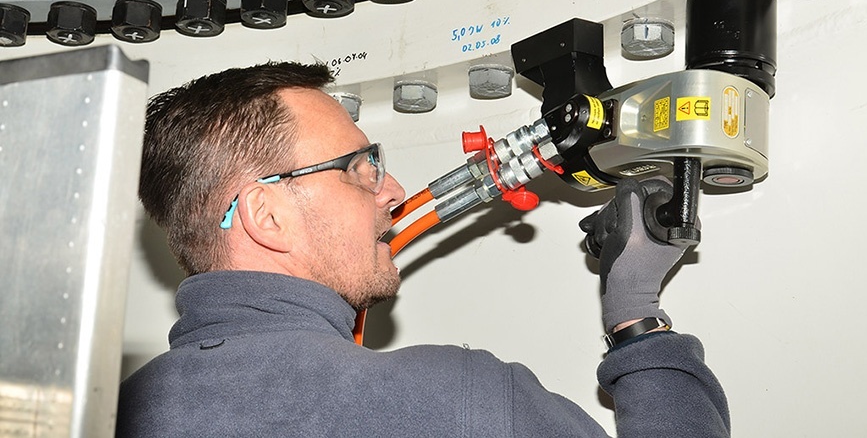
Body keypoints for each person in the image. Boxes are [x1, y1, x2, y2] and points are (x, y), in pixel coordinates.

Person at [117, 61, 730, 438]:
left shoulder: (97, 417)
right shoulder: (460, 402)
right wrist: (637, 316)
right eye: (358, 168)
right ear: (266, 214)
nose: (393, 190)